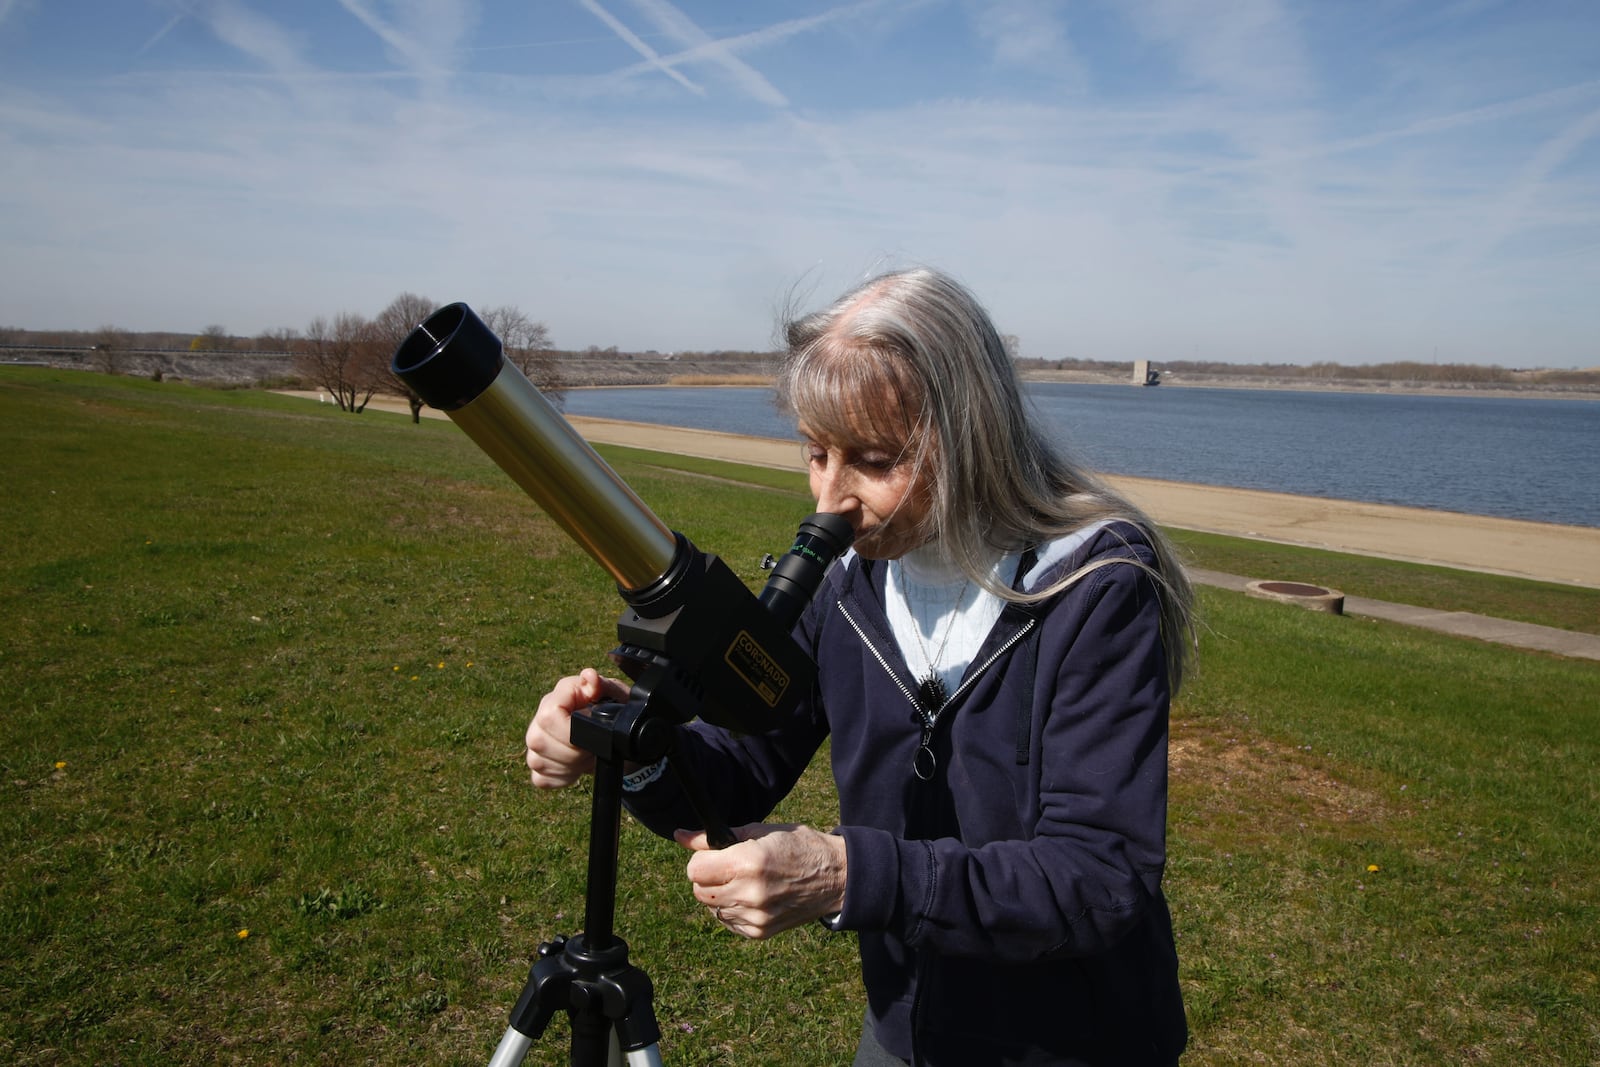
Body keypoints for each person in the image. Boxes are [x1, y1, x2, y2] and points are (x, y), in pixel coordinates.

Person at [525, 267, 1196, 1066]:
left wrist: (850, 875)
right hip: (904, 1026)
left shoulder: (1094, 583)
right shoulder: (848, 579)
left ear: (971, 436)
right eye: (815, 452)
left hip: (1073, 1041)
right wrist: (629, 738)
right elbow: (740, 765)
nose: (829, 500)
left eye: (873, 460)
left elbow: (1099, 873)